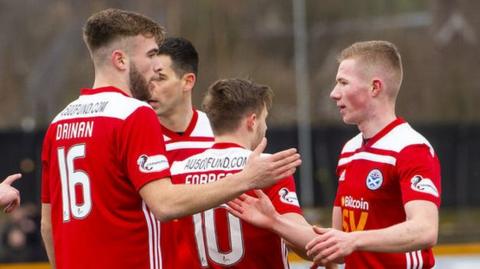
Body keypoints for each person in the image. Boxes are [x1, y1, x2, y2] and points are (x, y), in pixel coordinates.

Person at [40, 9, 301, 269]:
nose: (155, 69)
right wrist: (246, 179)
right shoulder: (135, 114)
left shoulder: (59, 122)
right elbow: (164, 204)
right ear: (120, 60)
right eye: (151, 56)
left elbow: (48, 224)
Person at [304, 40, 441, 268]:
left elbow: (425, 230)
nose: (333, 93)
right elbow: (338, 243)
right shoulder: (350, 150)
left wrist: (354, 240)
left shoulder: (411, 148)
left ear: (375, 87)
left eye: (343, 83)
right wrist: (274, 221)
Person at [166, 78, 310, 268]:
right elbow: (307, 245)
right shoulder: (268, 169)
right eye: (264, 119)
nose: (265, 127)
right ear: (252, 121)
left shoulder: (177, 170)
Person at [148, 37, 215, 268]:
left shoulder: (217, 134)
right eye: (148, 78)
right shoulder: (137, 139)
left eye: (160, 78)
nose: (150, 86)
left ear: (188, 82)